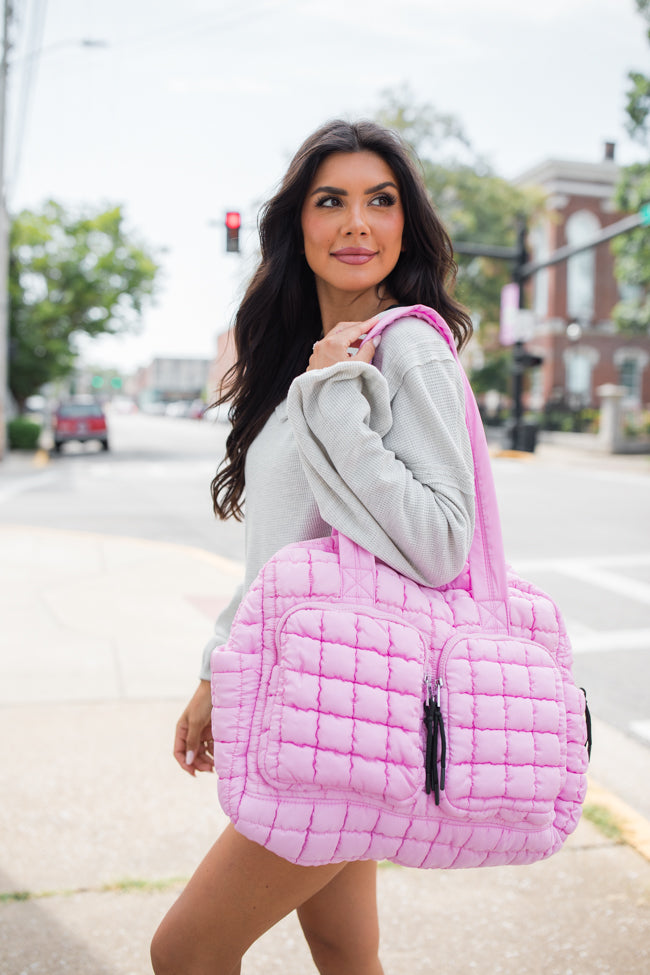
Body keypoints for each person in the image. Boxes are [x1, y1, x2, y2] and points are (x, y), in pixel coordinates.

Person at [151, 119, 475, 975]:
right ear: (299, 222)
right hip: (325, 701)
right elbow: (282, 553)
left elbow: (444, 543)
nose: (357, 223)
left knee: (185, 950)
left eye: (382, 200)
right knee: (343, 954)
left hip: (355, 698)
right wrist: (216, 668)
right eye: (332, 201)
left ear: (406, 225)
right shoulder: (307, 353)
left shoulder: (407, 350)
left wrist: (336, 396)